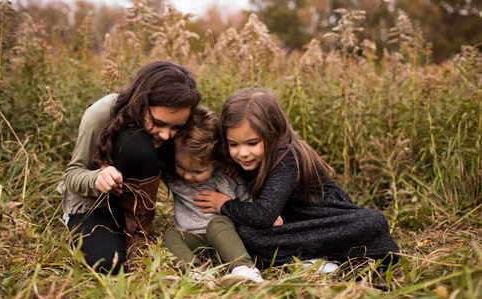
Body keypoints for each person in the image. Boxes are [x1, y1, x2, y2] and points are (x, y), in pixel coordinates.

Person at [193, 88, 400, 270]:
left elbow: (264, 215)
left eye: (252, 143)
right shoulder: (238, 157)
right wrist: (226, 161)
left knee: (374, 221)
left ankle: (315, 260)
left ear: (273, 132)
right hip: (290, 225)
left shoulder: (287, 156)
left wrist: (225, 205)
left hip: (323, 219)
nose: (242, 153)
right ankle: (320, 261)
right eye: (234, 144)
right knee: (248, 234)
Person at [57, 61, 202, 274]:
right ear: (140, 103)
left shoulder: (183, 119)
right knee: (108, 265)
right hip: (93, 203)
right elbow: (72, 174)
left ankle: (137, 233)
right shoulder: (102, 113)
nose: (165, 135)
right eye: (159, 123)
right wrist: (97, 179)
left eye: (176, 127)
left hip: (135, 205)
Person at [162, 106, 263, 283]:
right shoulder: (174, 177)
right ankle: (195, 274)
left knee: (217, 223)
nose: (187, 176)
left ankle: (245, 269)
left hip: (229, 238)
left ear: (216, 163)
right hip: (196, 241)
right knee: (171, 237)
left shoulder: (226, 178)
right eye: (182, 168)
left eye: (198, 171)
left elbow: (251, 205)